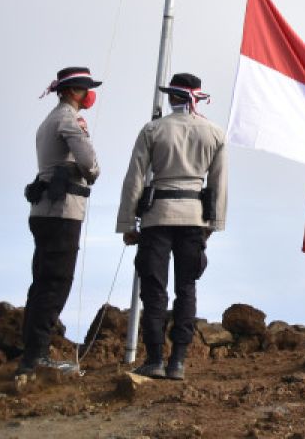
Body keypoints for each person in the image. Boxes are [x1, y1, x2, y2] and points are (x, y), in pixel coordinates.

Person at [116, 73, 227, 380]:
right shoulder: (214, 133)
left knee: (154, 290)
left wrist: (128, 222)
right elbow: (219, 183)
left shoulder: (153, 129)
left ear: (172, 97)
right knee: (186, 288)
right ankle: (178, 360)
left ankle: (154, 358)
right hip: (193, 218)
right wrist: (213, 223)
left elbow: (135, 179)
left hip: (156, 217)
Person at [18, 67, 103, 376]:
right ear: (71, 92)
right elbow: (89, 164)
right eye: (84, 89)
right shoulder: (69, 120)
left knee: (42, 281)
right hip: (62, 211)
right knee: (56, 282)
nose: (88, 94)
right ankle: (35, 359)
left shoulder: (47, 121)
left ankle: (32, 352)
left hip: (43, 212)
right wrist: (93, 170)